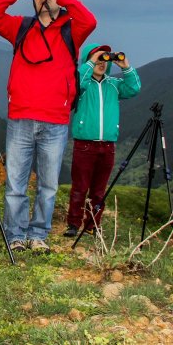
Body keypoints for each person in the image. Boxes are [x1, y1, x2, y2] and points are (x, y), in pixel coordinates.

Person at [0, 0, 96, 253]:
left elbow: (90, 21)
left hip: (55, 120)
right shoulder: (21, 27)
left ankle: (38, 235)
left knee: (48, 185)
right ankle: (15, 235)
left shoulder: (71, 29)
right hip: (21, 116)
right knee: (16, 184)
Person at [63, 45, 140, 236]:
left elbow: (134, 88)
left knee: (99, 191)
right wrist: (90, 62)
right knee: (80, 187)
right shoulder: (83, 84)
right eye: (98, 59)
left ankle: (92, 226)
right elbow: (76, 81)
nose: (102, 63)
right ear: (89, 61)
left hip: (108, 145)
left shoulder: (114, 84)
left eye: (105, 60)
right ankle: (73, 224)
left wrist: (126, 67)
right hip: (84, 144)